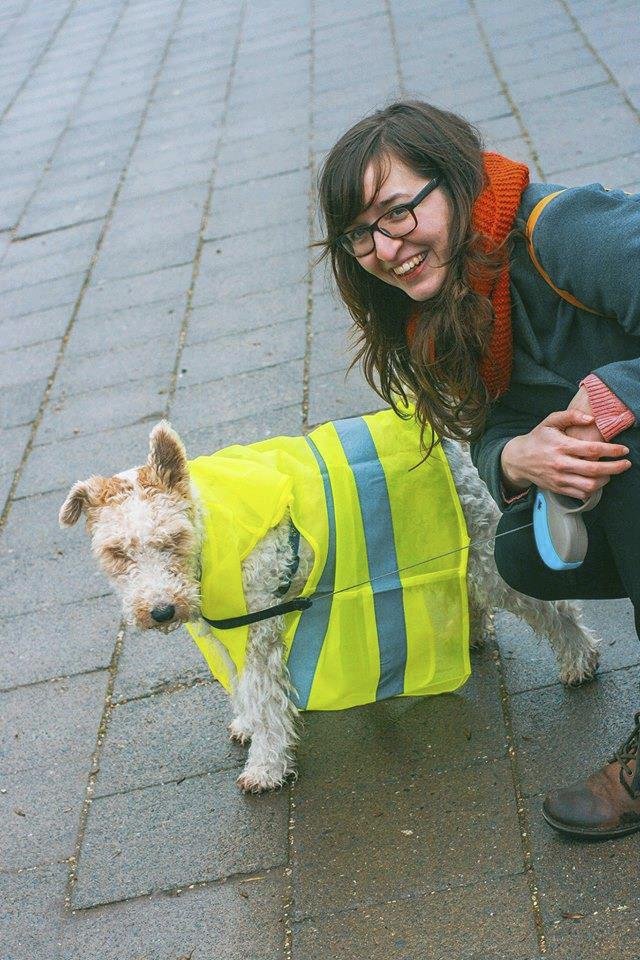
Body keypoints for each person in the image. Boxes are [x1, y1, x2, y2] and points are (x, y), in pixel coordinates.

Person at [317, 99, 640, 841]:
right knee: (523, 551)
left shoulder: (564, 231)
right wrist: (516, 454)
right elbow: (495, 422)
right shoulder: (451, 298)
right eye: (360, 233)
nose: (386, 248)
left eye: (398, 212)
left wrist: (608, 396)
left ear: (457, 183)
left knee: (614, 457)